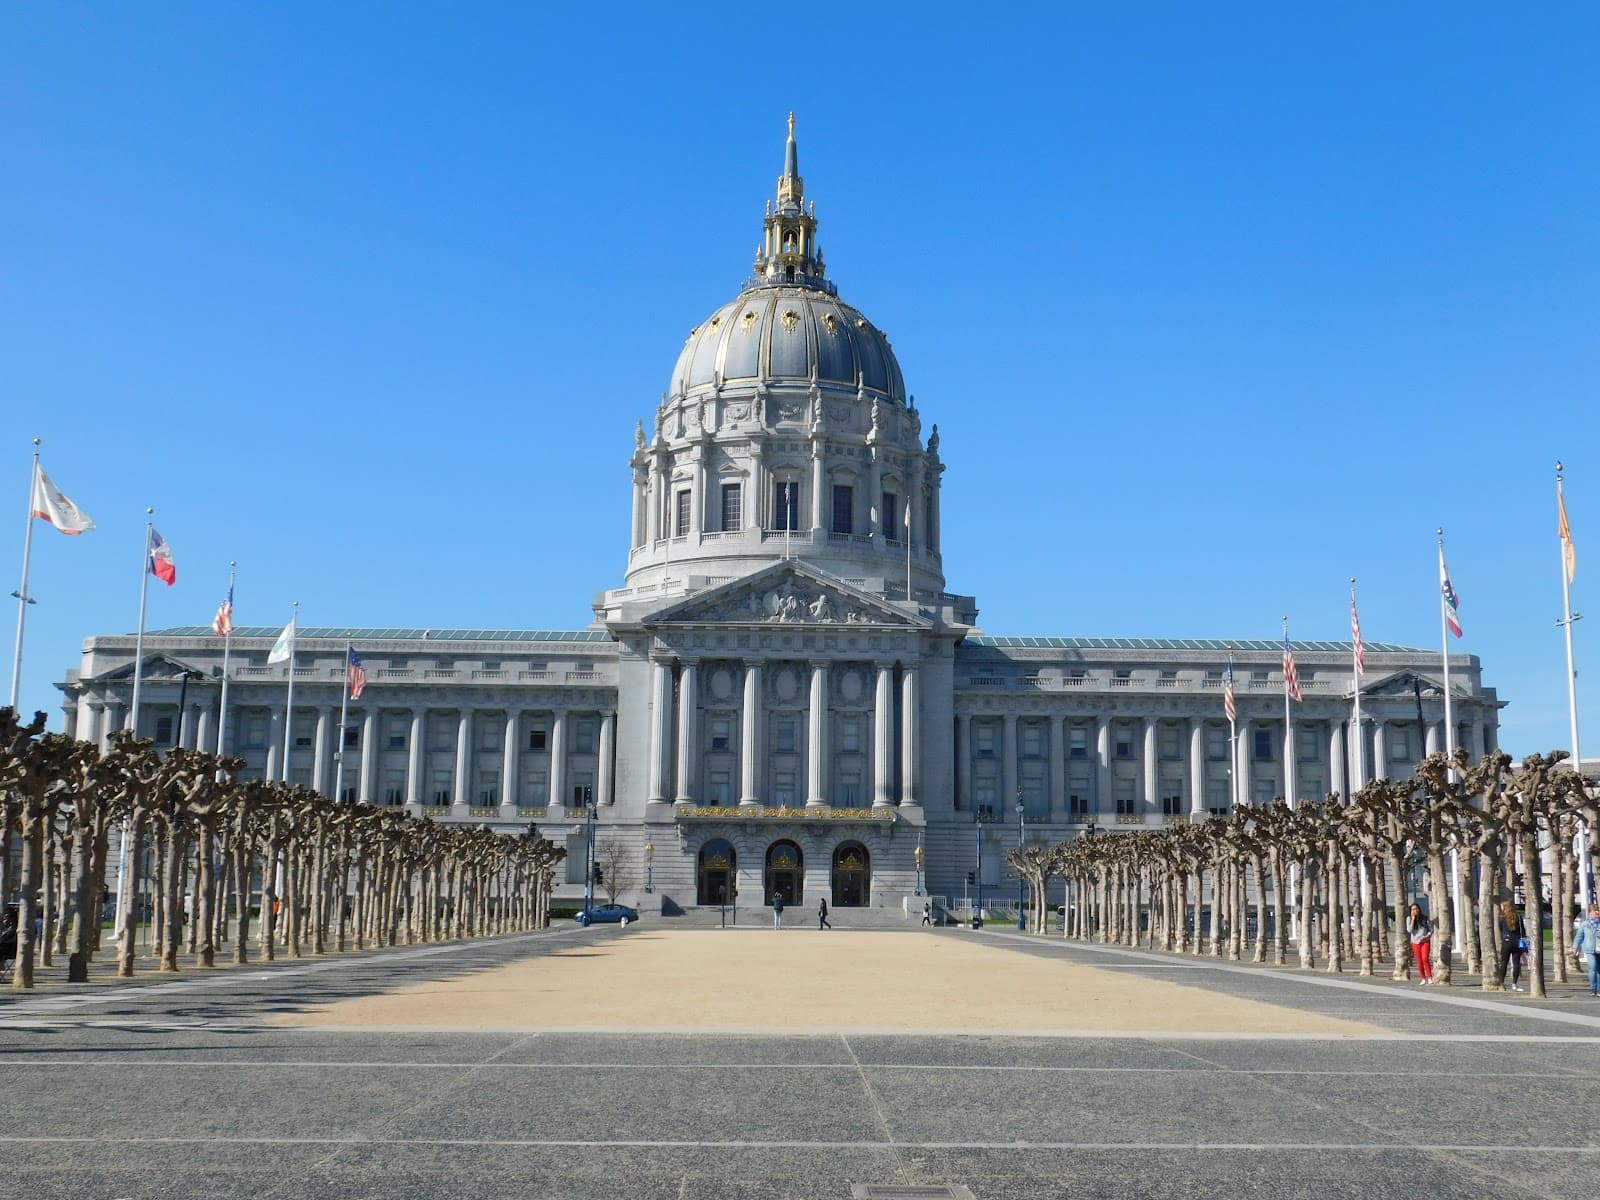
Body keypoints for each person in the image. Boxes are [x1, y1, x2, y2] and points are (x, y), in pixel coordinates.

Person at [1495, 900, 1525, 993]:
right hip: (1517, 942)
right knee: (1516, 963)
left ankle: (1502, 982)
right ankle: (1514, 984)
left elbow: (1500, 929)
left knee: (1504, 963)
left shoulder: (1502, 918)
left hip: (1507, 942)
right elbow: (1522, 930)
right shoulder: (1518, 917)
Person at [1573, 902, 1600, 997]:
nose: (1597, 912)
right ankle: (1593, 988)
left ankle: (1599, 989)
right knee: (1593, 967)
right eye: (1595, 911)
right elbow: (1579, 937)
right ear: (1590, 913)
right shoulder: (1585, 924)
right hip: (1590, 949)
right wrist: (1575, 947)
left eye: (1598, 910)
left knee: (1599, 970)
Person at [1406, 902, 1434, 985]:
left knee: (1425, 958)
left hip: (1425, 941)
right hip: (1415, 942)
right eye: (1413, 909)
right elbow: (1409, 930)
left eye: (1416, 909)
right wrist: (1413, 919)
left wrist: (1427, 936)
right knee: (1419, 961)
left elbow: (1431, 930)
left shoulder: (1424, 918)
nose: (1415, 911)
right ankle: (1423, 978)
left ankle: (1429, 977)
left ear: (1419, 909)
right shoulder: (1409, 919)